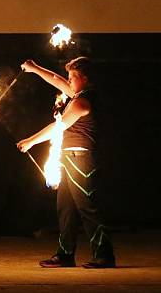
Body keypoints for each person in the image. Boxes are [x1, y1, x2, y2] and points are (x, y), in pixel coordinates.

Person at [17, 57, 115, 268]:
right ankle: (65, 254)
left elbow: (58, 126)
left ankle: (104, 255)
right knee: (66, 208)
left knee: (87, 208)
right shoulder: (78, 95)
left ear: (86, 79)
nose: (68, 81)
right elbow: (57, 80)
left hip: (81, 160)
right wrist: (34, 69)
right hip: (69, 159)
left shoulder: (82, 102)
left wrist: (30, 142)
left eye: (73, 77)